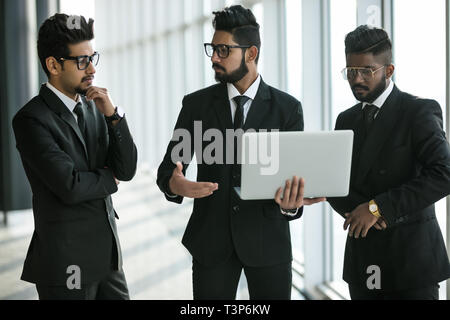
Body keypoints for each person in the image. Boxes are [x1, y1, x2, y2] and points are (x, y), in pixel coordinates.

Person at [157, 5, 324, 300]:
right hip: (211, 242)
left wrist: (290, 204)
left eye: (223, 50)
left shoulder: (287, 109)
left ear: (251, 53)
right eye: (212, 49)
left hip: (268, 243)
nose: (214, 58)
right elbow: (168, 170)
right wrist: (175, 184)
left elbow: (291, 182)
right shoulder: (197, 106)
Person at [12, 14, 138, 300]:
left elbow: (127, 168)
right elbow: (69, 186)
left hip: (108, 259)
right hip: (67, 263)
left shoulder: (95, 107)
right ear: (53, 65)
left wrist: (113, 116)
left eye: (92, 57)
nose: (92, 68)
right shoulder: (31, 119)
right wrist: (110, 178)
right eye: (82, 61)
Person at [328, 25, 450, 300]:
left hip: (411, 261)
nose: (356, 78)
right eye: (350, 71)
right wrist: (358, 211)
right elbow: (336, 183)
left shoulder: (418, 111)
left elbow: (444, 173)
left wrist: (378, 208)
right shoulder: (345, 120)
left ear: (389, 70)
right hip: (364, 259)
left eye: (367, 71)